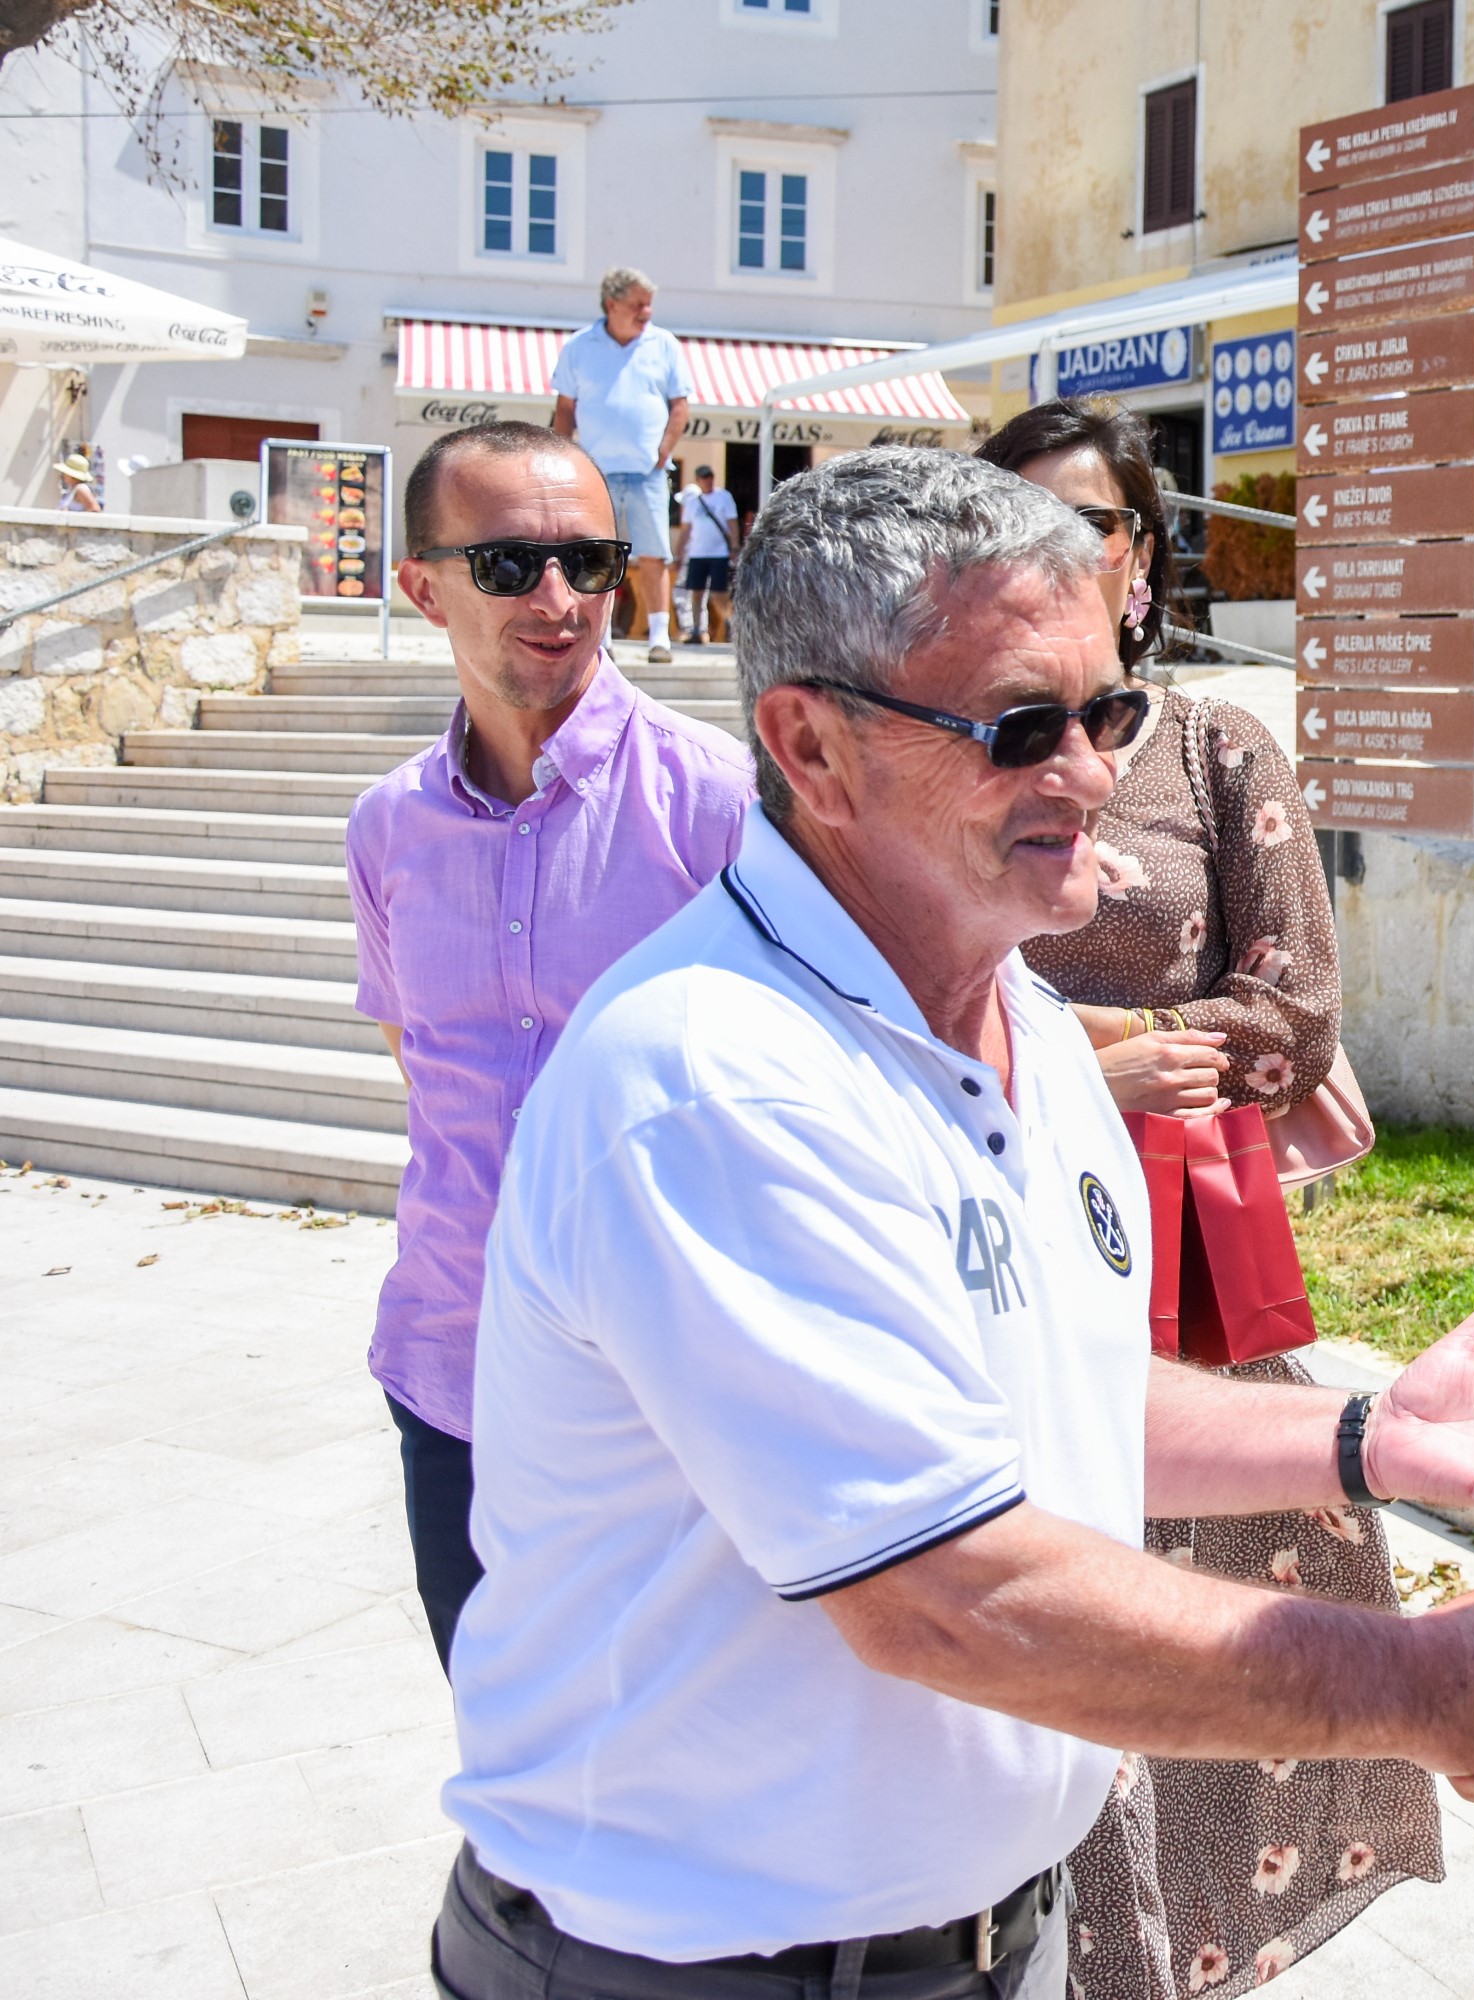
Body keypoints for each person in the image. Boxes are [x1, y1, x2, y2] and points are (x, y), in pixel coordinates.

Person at [432, 447, 1474, 2000]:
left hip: (976, 1943)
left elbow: (1041, 1400)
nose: (1090, 774)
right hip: (703, 1969)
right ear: (809, 746)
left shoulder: (1009, 1003)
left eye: (1107, 710)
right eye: (1022, 727)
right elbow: (955, 1599)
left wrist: (1360, 1438)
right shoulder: (717, 1089)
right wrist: (1417, 1684)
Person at [981, 399, 1422, 1999]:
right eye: (1004, 520)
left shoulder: (1218, 747)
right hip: (991, 1264)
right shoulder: (942, 746)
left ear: (1142, 556)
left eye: (1079, 526)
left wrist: (1144, 1047)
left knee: (1205, 1639)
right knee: (1038, 1645)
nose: (1042, 555)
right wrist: (1086, 1063)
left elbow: (1296, 1008)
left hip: (1194, 1275)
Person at [348, 418, 753, 1667]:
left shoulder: (722, 806)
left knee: (690, 1793)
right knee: (511, 1777)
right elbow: (423, 1061)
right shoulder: (387, 831)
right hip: (452, 1375)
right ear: (423, 587)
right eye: (512, 564)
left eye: (590, 558)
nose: (563, 598)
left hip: (667, 1401)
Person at [550, 264, 691, 665]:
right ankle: (602, 640)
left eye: (649, 304)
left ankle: (659, 639)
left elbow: (680, 405)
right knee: (597, 557)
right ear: (612, 304)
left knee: (655, 555)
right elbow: (564, 408)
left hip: (648, 473)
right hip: (594, 473)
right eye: (639, 304)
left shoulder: (664, 344)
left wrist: (665, 450)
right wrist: (564, 459)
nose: (647, 311)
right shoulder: (579, 346)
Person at [674, 461, 739, 644]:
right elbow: (686, 529)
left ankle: (732, 626)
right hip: (697, 552)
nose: (708, 480)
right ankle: (697, 630)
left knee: (719, 593)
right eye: (704, 477)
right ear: (698, 480)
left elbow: (732, 523)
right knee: (696, 592)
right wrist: (678, 553)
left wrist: (734, 546)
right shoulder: (693, 502)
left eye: (710, 476)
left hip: (718, 553)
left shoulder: (723, 497)